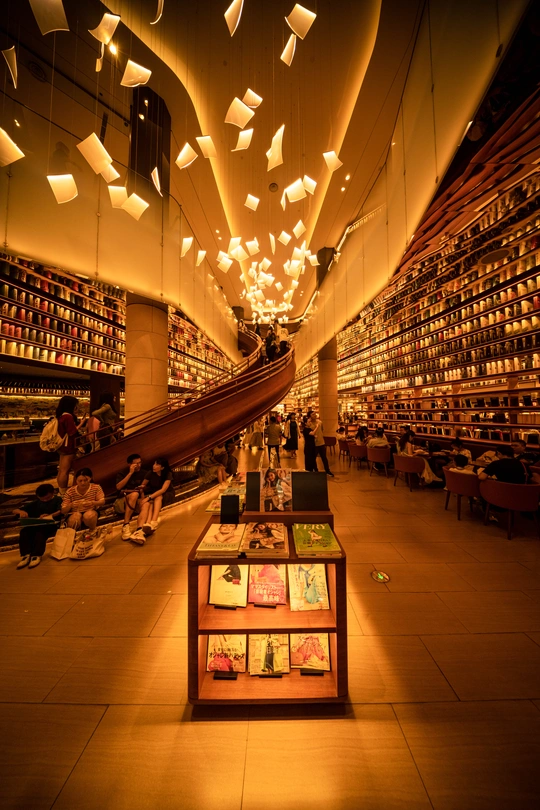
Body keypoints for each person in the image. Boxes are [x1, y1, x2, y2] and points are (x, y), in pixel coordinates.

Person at [13, 483, 63, 569]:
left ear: (53, 493)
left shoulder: (57, 499)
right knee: (24, 531)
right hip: (39, 524)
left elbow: (60, 511)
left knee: (40, 532)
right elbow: (15, 510)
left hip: (52, 524)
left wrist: (49, 515)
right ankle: (26, 554)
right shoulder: (37, 502)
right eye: (42, 499)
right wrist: (21, 512)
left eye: (47, 498)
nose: (45, 500)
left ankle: (36, 555)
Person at [130, 457, 174, 543]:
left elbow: (163, 490)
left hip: (167, 494)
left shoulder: (168, 474)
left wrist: (148, 497)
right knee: (150, 502)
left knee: (157, 497)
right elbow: (142, 486)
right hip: (153, 495)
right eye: (154, 463)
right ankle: (147, 524)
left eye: (157, 464)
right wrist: (143, 497)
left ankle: (154, 521)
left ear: (162, 467)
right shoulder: (150, 473)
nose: (154, 466)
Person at [55, 395, 88, 494]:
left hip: (62, 446)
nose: (76, 407)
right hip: (68, 446)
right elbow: (72, 432)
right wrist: (81, 423)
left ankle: (61, 491)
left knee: (61, 469)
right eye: (75, 405)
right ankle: (63, 492)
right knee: (65, 470)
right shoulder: (68, 417)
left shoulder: (61, 415)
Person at [116, 454, 150, 540]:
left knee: (146, 504)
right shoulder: (123, 473)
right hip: (122, 501)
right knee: (134, 494)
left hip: (136, 500)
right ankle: (126, 525)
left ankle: (139, 530)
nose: (139, 465)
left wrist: (143, 498)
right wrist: (130, 473)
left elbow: (143, 489)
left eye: (140, 463)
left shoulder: (144, 473)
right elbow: (118, 487)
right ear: (130, 464)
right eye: (136, 464)